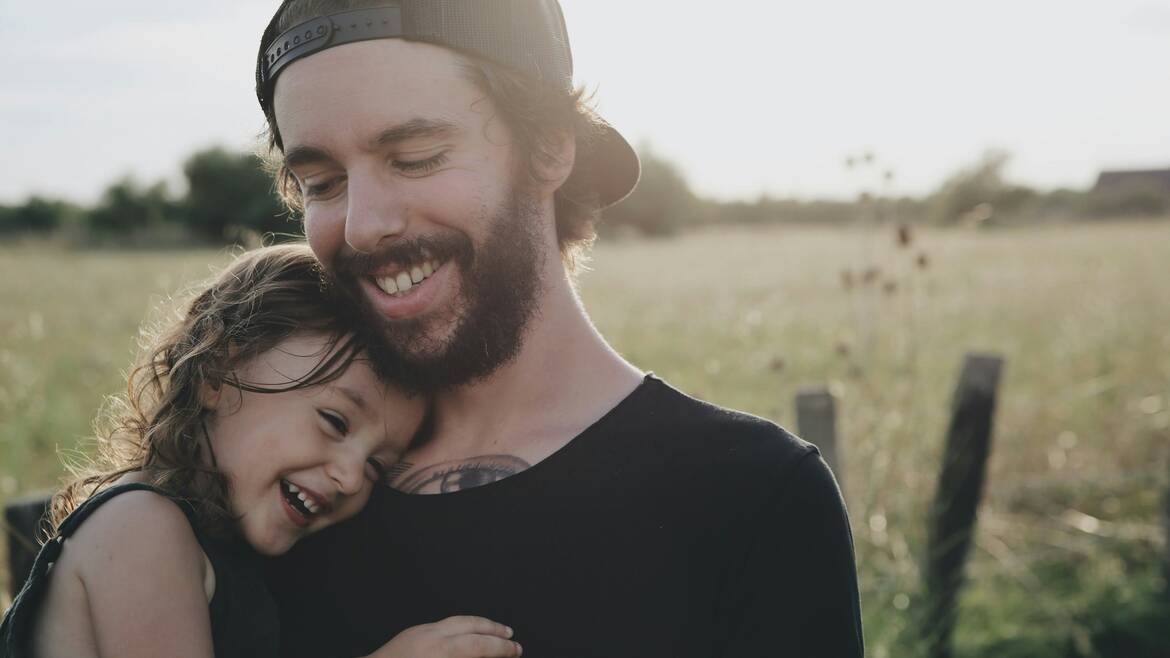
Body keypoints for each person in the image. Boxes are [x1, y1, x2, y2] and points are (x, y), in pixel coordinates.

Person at [257, 1, 865, 656]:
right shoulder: (283, 488)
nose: (362, 226)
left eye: (416, 157)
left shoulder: (750, 497)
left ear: (550, 151)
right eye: (321, 182)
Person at [0, 245, 522, 658]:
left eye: (375, 466)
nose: (348, 476)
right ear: (217, 370)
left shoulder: (217, 548)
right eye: (334, 421)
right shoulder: (141, 527)